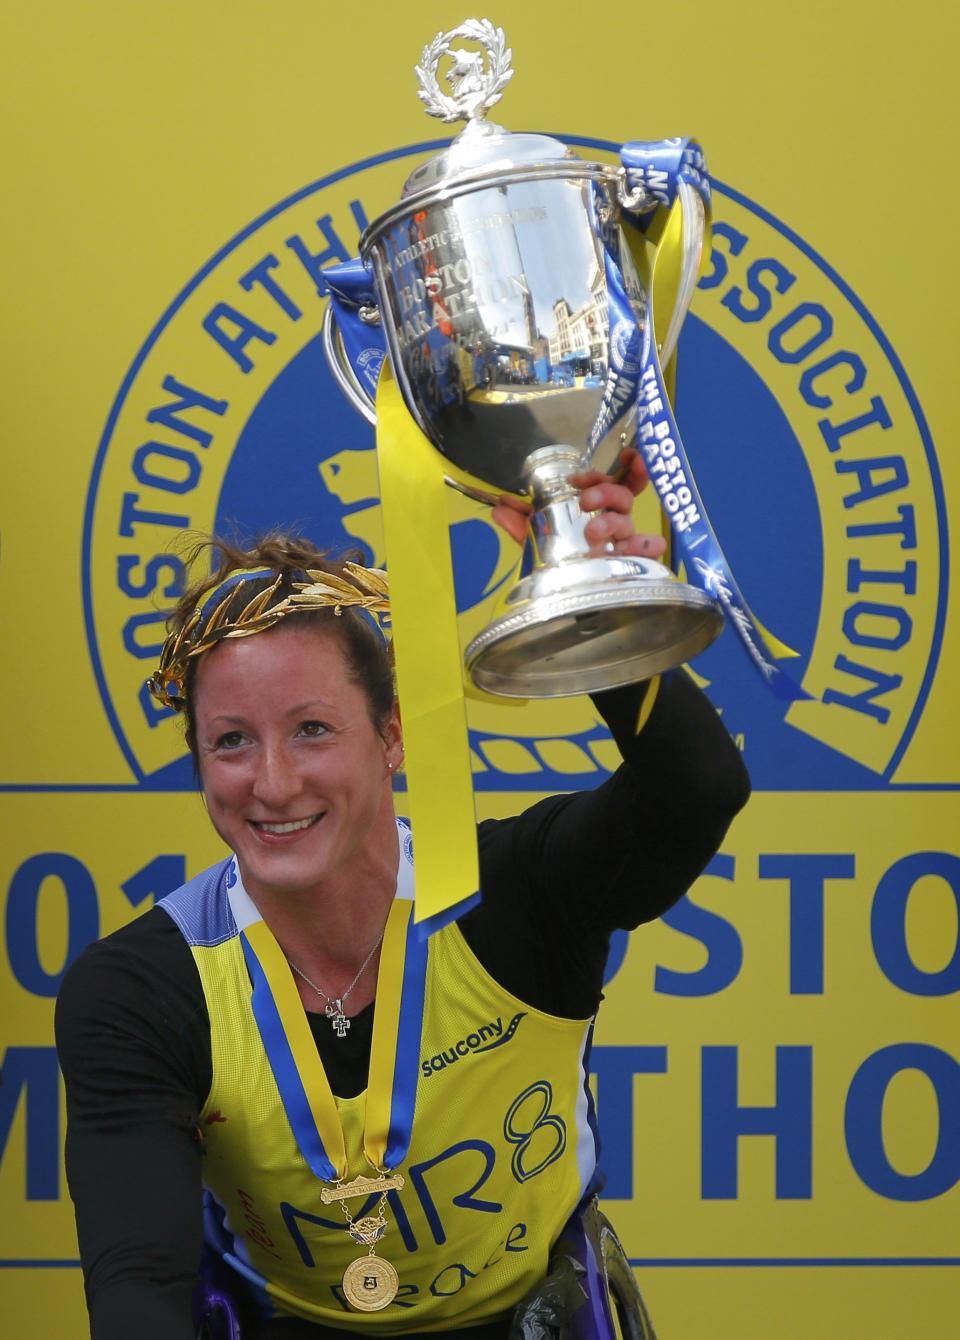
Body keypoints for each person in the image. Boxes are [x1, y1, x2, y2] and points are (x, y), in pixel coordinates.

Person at [56, 452, 750, 1340]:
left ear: (391, 736)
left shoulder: (517, 894)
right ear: (198, 764)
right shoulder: (140, 991)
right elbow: (138, 1292)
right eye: (231, 742)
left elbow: (697, 787)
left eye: (312, 730)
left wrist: (589, 597)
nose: (272, 783)